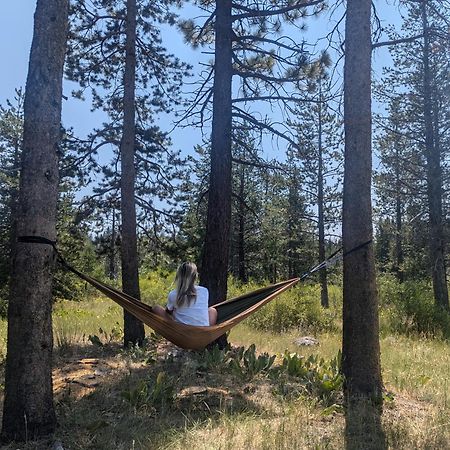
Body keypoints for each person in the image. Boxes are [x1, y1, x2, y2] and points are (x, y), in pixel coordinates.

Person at [153, 262, 217, 326]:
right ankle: (208, 331)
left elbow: (168, 312)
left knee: (156, 308)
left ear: (178, 276)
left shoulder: (174, 294)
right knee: (212, 311)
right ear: (195, 276)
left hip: (182, 331)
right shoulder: (204, 291)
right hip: (203, 331)